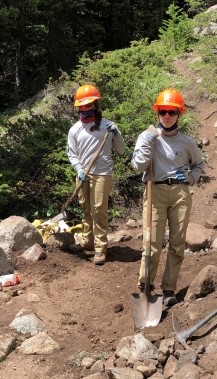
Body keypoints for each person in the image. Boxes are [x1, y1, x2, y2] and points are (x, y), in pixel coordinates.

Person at [132, 88, 205, 307]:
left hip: (180, 193)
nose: (166, 116)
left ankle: (169, 288)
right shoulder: (147, 138)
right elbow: (138, 166)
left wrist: (191, 178)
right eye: (163, 111)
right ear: (157, 113)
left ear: (179, 114)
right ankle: (145, 286)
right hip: (155, 190)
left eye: (171, 112)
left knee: (177, 243)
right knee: (152, 243)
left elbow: (199, 164)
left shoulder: (187, 143)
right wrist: (147, 141)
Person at [67, 84, 126, 265]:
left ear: (95, 104)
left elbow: (121, 150)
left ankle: (101, 248)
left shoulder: (108, 126)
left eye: (88, 104)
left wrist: (116, 134)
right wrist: (79, 169)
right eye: (81, 106)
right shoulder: (74, 129)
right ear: (77, 107)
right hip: (83, 174)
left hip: (102, 174)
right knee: (85, 209)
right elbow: (72, 153)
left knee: (98, 210)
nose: (85, 109)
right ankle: (88, 242)